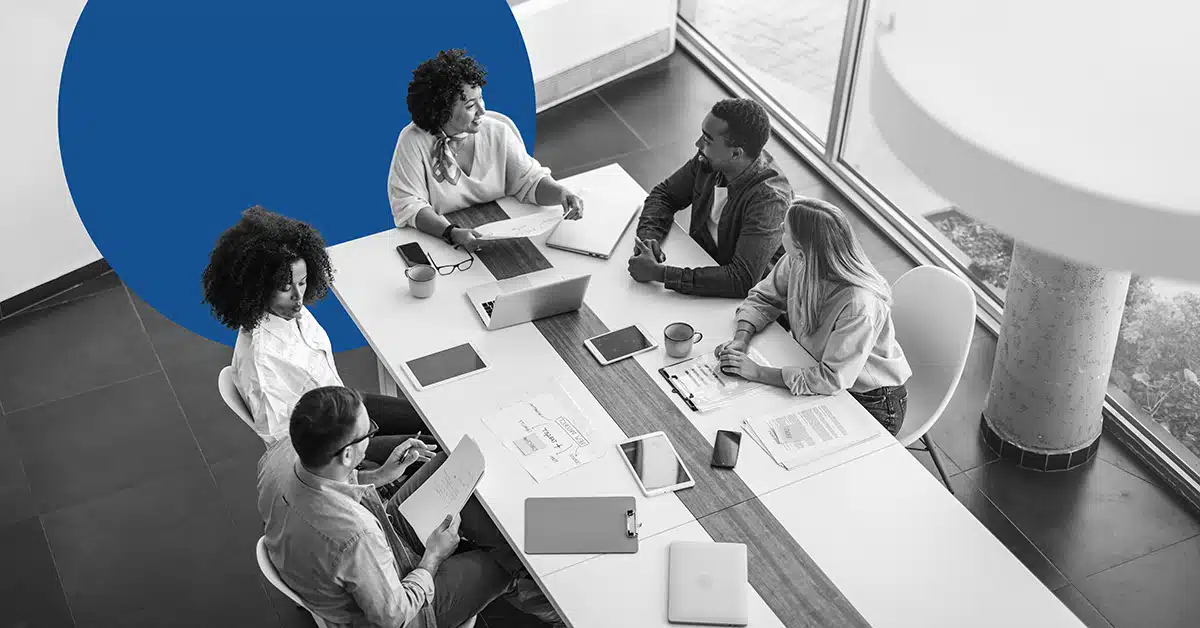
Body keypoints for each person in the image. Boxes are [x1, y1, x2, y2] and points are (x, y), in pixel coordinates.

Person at [257, 386, 564, 628]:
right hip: (403, 608)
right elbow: (395, 617)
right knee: (502, 560)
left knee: (451, 463)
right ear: (348, 454)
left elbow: (329, 481)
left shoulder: (279, 455)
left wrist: (378, 476)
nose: (374, 434)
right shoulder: (354, 537)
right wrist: (433, 557)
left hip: (377, 543)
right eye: (370, 431)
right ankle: (554, 608)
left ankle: (526, 576)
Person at [202, 206, 429, 467]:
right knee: (435, 447)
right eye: (285, 288)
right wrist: (361, 470)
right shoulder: (261, 362)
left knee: (433, 419)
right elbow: (286, 449)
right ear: (257, 288)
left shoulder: (289, 311)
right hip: (331, 444)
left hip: (344, 404)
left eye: (303, 282)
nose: (299, 298)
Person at [713, 197, 912, 435]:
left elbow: (831, 379)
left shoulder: (859, 304)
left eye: (786, 228)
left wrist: (757, 372)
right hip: (817, 370)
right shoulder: (798, 261)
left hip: (871, 401)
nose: (780, 229)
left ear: (803, 248)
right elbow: (763, 298)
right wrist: (741, 340)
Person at [388, 49, 584, 253]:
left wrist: (562, 193)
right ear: (442, 113)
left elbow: (529, 181)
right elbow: (408, 205)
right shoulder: (413, 142)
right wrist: (451, 232)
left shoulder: (497, 130)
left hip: (501, 236)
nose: (482, 110)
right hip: (442, 242)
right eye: (471, 105)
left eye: (480, 99)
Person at [628, 98, 793, 298]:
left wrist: (659, 274)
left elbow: (742, 280)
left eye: (707, 140)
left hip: (747, 302)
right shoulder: (709, 161)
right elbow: (664, 195)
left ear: (735, 153)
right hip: (702, 270)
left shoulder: (769, 200)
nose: (698, 144)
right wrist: (649, 239)